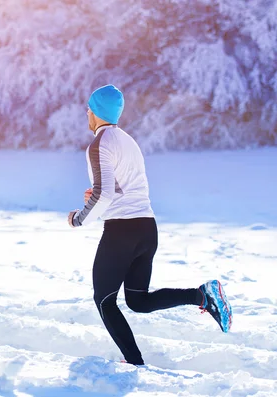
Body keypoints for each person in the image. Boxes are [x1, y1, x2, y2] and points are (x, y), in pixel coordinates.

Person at [67, 84, 232, 366]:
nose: (86, 113)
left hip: (122, 232)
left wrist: (79, 217)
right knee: (137, 301)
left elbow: (105, 194)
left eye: (89, 109)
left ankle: (134, 363)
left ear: (95, 112)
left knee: (104, 300)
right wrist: (98, 194)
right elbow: (119, 188)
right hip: (146, 228)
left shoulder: (99, 144)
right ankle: (201, 295)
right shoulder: (127, 141)